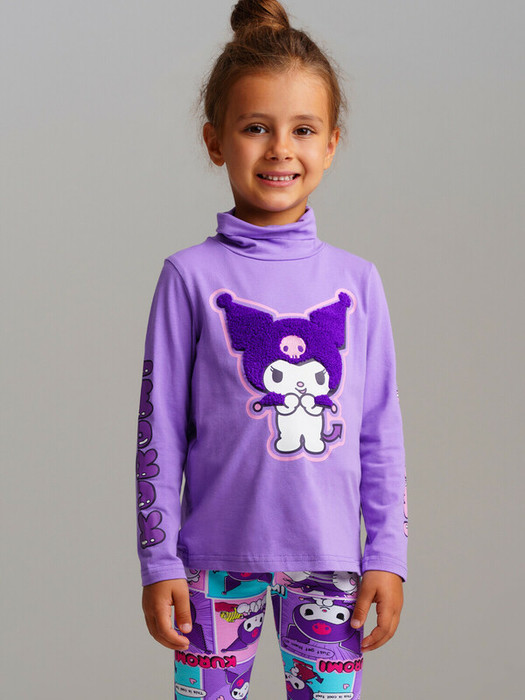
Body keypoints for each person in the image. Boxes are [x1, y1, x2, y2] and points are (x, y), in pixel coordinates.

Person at [135, 1, 408, 698]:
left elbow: (379, 430)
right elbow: (158, 431)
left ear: (331, 144)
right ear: (215, 140)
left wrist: (387, 554)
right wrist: (159, 562)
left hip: (332, 568)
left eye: (303, 130)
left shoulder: (357, 283)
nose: (280, 148)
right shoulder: (188, 278)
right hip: (210, 568)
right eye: (256, 127)